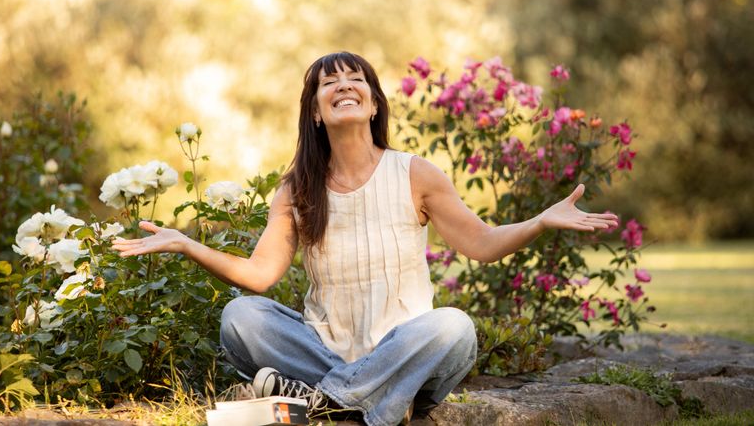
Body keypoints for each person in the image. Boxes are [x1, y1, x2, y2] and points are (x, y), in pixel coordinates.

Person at [112, 52, 618, 426]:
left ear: (374, 104)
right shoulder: (296, 189)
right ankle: (357, 400)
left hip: (406, 353)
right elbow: (259, 276)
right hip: (322, 351)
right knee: (240, 318)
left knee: (453, 329)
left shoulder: (415, 174)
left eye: (356, 79)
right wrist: (187, 243)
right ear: (315, 111)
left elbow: (481, 244)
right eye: (328, 83)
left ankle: (318, 402)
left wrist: (539, 222)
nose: (344, 85)